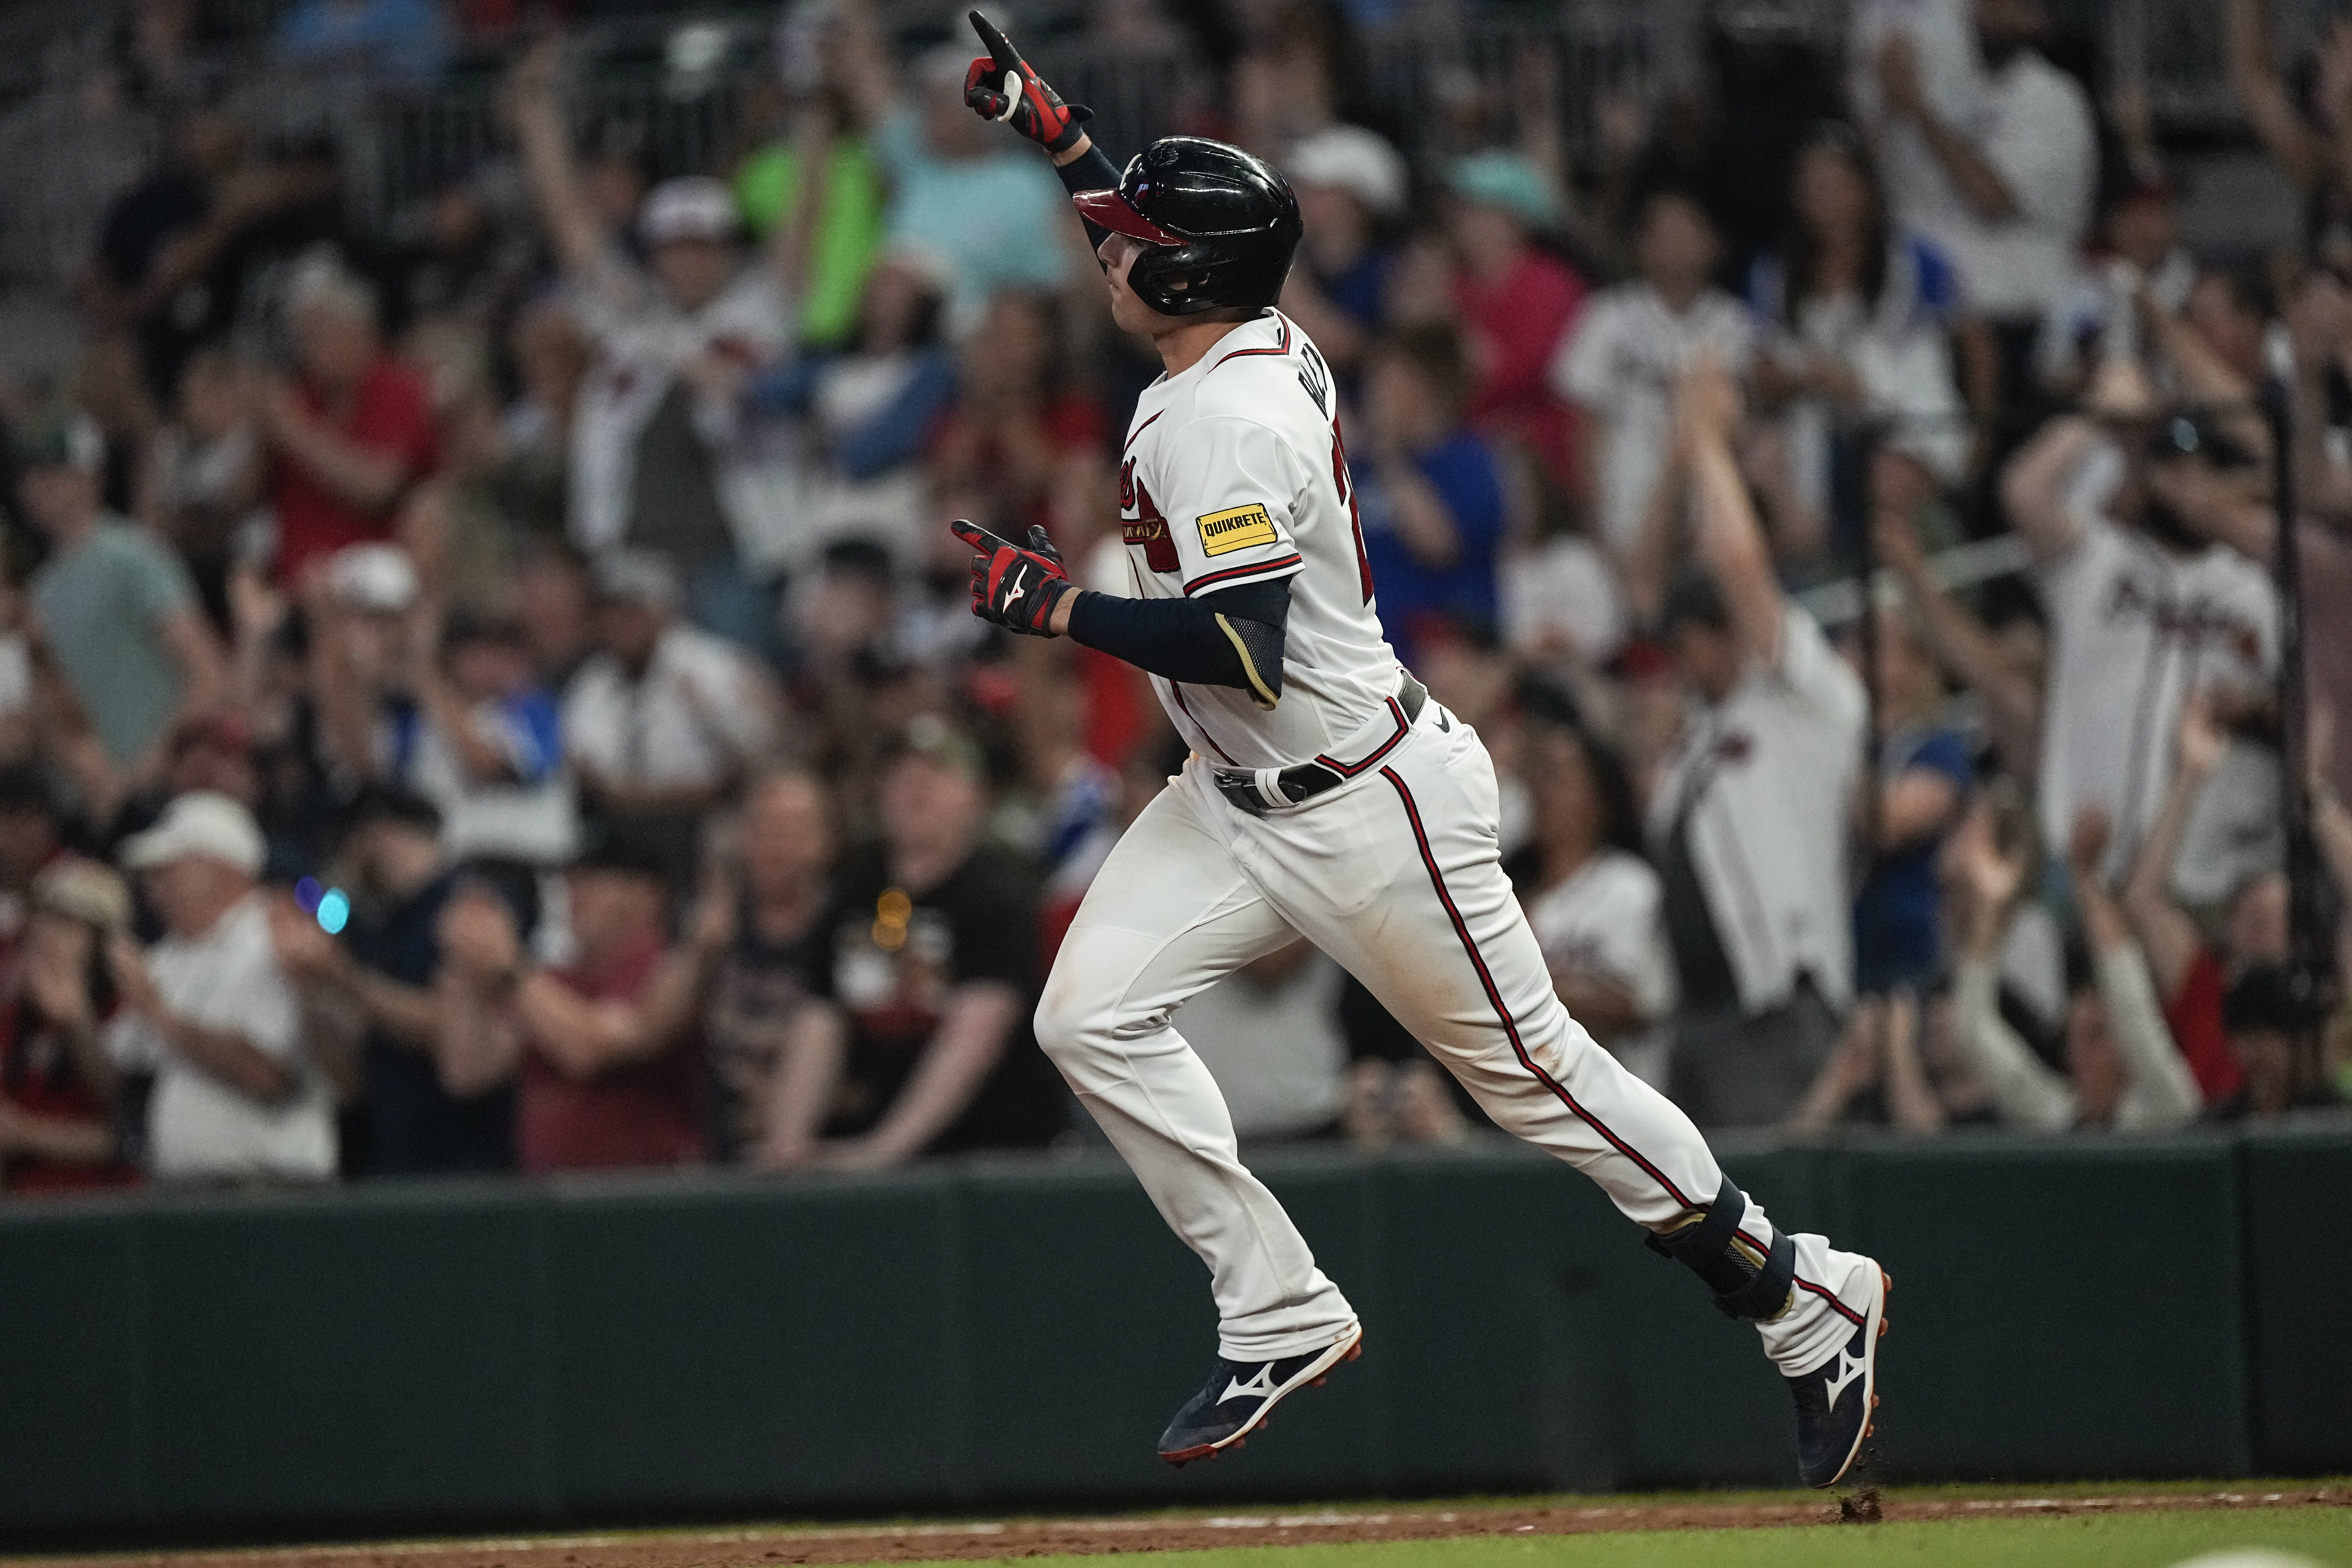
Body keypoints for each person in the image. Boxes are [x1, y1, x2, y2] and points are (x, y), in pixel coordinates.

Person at [947, 13, 1888, 1488]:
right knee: (1089, 1016)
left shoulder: (1233, 414)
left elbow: (1242, 644)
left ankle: (1798, 1289)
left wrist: (1059, 606)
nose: (1107, 251)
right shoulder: (1241, 330)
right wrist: (1051, 126)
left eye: (1129, 239)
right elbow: (1151, 237)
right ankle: (1277, 1300)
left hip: (1362, 798)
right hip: (1240, 794)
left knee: (1540, 1081)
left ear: (1187, 275)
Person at [509, 36, 794, 646]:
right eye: (675, 245)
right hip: (629, 552)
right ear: (656, 253)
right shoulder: (632, 315)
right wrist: (537, 118)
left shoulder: (758, 314)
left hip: (731, 552)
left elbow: (799, 238)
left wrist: (816, 118)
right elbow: (573, 227)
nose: (688, 260)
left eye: (702, 245)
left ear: (725, 252)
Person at [1647, 359, 1869, 1130]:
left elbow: (1738, 565)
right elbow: (1644, 584)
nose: (1686, 657)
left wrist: (1706, 442)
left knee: (1776, 1225)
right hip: (1700, 1020)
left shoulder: (1805, 700)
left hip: (1779, 1014)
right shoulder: (1694, 735)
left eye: (1699, 637)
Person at [763, 720, 1063, 1169]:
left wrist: (883, 1152)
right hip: (865, 1147)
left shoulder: (997, 898)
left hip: (991, 1156)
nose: (914, 789)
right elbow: (820, 1019)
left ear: (977, 798)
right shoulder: (853, 895)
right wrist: (786, 1145)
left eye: (937, 776)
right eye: (901, 776)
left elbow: (976, 1033)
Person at [2000, 412, 2279, 892]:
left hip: (2208, 873)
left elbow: (2312, 717)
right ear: (2143, 479)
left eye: (2197, 472)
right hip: (2083, 860)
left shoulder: (2259, 589)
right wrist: (2099, 413)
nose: (2184, 489)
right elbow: (2023, 491)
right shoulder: (2095, 561)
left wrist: (2249, 710)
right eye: (2169, 472)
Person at [435, 819, 724, 1173]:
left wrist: (509, 968)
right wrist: (469, 962)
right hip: (549, 1204)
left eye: (594, 879)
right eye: (571, 881)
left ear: (647, 894)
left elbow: (590, 1048)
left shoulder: (666, 971)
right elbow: (469, 1072)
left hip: (643, 1196)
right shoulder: (555, 981)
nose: (575, 895)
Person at [269, 782, 518, 1176]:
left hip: (464, 1156)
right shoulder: (382, 924)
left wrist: (344, 979)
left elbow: (454, 1027)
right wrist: (313, 989)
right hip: (393, 1155)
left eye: (347, 845)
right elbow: (352, 1082)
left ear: (376, 835)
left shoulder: (465, 904)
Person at [104, 791, 336, 1182]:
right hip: (182, 1192)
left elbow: (270, 1077)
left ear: (218, 867)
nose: (152, 888)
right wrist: (75, 1009)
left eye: (166, 871)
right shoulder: (167, 956)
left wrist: (160, 1014)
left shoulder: (276, 940)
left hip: (271, 1193)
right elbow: (118, 1080)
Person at [1944, 802, 2200, 1132]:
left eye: (2096, 1036)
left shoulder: (2167, 1107)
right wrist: (1989, 910)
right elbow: (1972, 1031)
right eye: (2074, 1039)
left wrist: (2084, 878)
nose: (2080, 1055)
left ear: (2123, 1049)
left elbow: (2133, 1012)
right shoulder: (2055, 1116)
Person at [19, 406, 228, 789]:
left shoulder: (134, 557)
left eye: (54, 471)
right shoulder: (39, 590)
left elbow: (207, 673)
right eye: (30, 473)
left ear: (92, 477)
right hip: (89, 799)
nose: (39, 485)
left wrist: (150, 763)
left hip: (163, 786)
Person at [1554, 189, 1755, 558]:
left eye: (1687, 231)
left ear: (1713, 243)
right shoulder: (1606, 316)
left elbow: (1737, 426)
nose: (1676, 244)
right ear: (1642, 246)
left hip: (1704, 502)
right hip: (1625, 498)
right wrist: (1591, 515)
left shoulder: (1733, 324)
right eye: (1664, 233)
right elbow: (1582, 425)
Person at [1513, 691, 1676, 1091]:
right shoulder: (1508, 892)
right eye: (1536, 777)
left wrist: (1518, 988)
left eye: (1558, 777)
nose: (1541, 792)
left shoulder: (1628, 886)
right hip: (1525, 1118)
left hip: (1615, 1111)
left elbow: (1635, 1005)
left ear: (1601, 797)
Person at [561, 551, 782, 831]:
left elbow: (761, 757)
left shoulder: (713, 665)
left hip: (710, 820)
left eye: (631, 611)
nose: (619, 624)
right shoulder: (593, 678)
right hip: (624, 824)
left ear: (662, 610)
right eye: (609, 613)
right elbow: (587, 768)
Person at [257, 257, 441, 588]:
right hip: (297, 585)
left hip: (373, 587)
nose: (308, 347)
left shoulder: (399, 388)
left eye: (320, 330)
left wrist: (292, 430)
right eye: (303, 334)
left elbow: (378, 487)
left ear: (360, 329)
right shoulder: (300, 399)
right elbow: (243, 497)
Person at [1353, 326, 1509, 670]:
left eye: (1387, 381)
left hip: (1445, 663)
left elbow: (1438, 545)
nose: (1373, 394)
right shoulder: (1357, 469)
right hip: (1365, 664)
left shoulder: (1470, 461)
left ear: (1422, 385)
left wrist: (1386, 452)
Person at [706, 769, 834, 1166]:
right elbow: (653, 1027)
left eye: (793, 830)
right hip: (716, 1152)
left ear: (826, 842)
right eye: (763, 829)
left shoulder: (848, 928)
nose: (776, 845)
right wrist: (699, 948)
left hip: (819, 1158)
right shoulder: (716, 925)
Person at [0, 859, 140, 1193]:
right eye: (46, 918)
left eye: (71, 924)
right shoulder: (16, 1012)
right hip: (24, 1208)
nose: (51, 935)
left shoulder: (128, 1009)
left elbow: (131, 1132)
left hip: (99, 1212)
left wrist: (26, 1133)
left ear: (103, 943)